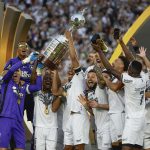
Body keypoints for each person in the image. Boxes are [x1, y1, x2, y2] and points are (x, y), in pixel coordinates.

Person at [53, 30, 90, 150]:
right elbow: (55, 91)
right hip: (68, 117)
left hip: (79, 116)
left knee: (79, 147)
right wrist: (55, 70)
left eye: (73, 69)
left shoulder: (80, 78)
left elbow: (73, 58)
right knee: (67, 147)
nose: (70, 69)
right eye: (69, 69)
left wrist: (70, 39)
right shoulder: (67, 85)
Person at [92, 39, 129, 150]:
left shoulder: (125, 76)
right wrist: (99, 52)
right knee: (115, 145)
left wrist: (104, 78)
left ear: (122, 66)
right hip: (113, 114)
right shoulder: (114, 77)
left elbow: (114, 87)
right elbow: (107, 68)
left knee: (123, 144)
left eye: (117, 61)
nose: (115, 62)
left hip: (120, 113)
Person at [0, 53, 42, 150]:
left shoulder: (23, 88)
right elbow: (10, 70)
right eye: (14, 71)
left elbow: (38, 87)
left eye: (17, 71)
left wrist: (39, 71)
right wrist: (26, 60)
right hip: (6, 119)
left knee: (20, 148)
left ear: (21, 74)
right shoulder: (6, 84)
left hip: (19, 121)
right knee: (3, 148)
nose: (15, 72)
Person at [78, 69, 111, 150]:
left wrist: (98, 105)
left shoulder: (102, 88)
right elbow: (94, 113)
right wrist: (86, 106)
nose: (90, 79)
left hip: (108, 127)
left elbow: (113, 107)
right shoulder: (89, 94)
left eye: (93, 77)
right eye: (88, 77)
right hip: (98, 128)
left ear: (98, 78)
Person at [33, 68, 61, 150]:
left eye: (50, 79)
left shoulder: (55, 94)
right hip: (39, 127)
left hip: (52, 128)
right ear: (42, 82)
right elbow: (33, 80)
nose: (48, 80)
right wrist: (39, 68)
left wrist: (55, 73)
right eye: (46, 79)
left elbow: (54, 109)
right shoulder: (37, 93)